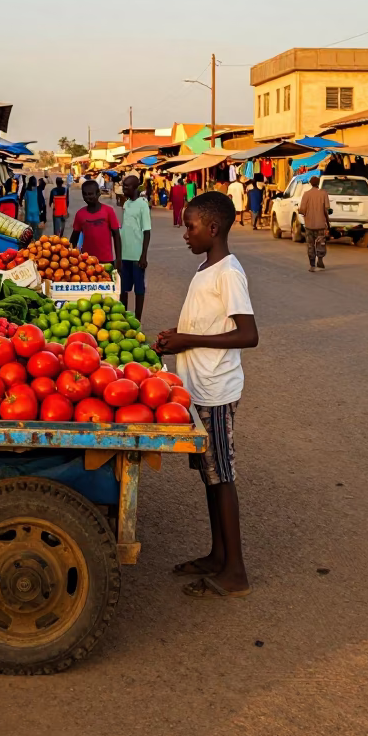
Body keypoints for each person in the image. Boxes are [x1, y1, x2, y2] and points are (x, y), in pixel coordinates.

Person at [156, 191, 258, 599]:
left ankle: (235, 572)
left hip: (217, 391)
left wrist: (187, 340)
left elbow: (248, 334)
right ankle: (218, 555)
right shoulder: (207, 267)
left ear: (213, 229)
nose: (184, 233)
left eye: (190, 225)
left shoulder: (228, 273)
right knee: (209, 476)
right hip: (199, 387)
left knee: (223, 478)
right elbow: (205, 322)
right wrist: (175, 338)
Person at [119, 174, 151, 320]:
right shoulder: (126, 204)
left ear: (135, 187)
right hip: (124, 254)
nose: (124, 188)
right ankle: (123, 316)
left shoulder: (143, 205)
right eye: (123, 185)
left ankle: (138, 318)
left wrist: (143, 255)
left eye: (127, 186)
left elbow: (147, 231)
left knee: (139, 289)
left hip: (137, 256)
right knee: (123, 289)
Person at [71, 179, 121, 268]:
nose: (87, 197)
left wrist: (119, 259)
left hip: (106, 261)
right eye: (84, 194)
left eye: (90, 194)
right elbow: (74, 238)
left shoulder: (108, 211)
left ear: (98, 194)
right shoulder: (80, 214)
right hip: (86, 261)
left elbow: (116, 235)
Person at [297, 176, 331, 272]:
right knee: (321, 243)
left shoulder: (306, 194)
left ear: (311, 183)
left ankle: (312, 264)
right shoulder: (323, 193)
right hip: (320, 224)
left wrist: (299, 211)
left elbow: (302, 210)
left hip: (309, 225)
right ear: (318, 183)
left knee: (310, 244)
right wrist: (328, 223)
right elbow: (326, 209)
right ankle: (320, 260)